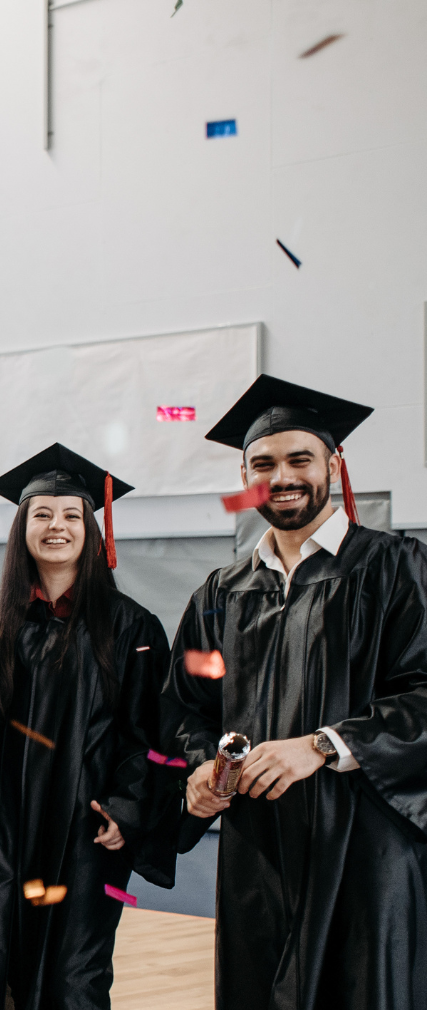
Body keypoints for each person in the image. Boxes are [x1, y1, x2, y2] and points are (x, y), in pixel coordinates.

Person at [166, 375, 427, 1009]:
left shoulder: (393, 568)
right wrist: (202, 770)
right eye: (264, 463)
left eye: (299, 459)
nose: (281, 476)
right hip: (258, 854)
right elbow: (185, 708)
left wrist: (323, 746)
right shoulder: (222, 594)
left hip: (367, 851)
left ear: (333, 465)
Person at [0, 444, 180, 1010]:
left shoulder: (131, 626)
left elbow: (150, 735)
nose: (56, 526)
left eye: (71, 514)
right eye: (41, 514)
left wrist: (129, 808)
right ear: (22, 528)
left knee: (72, 980)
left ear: (92, 529)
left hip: (82, 830)